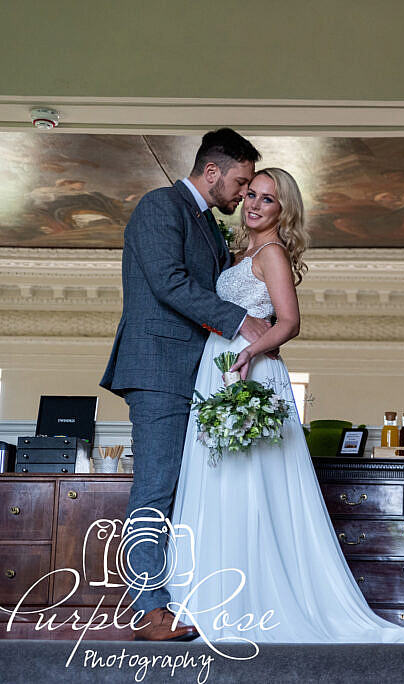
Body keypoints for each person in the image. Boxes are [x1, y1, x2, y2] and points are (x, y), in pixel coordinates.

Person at [166, 168, 404, 644]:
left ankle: (252, 602)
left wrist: (249, 352)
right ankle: (210, 597)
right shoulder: (239, 252)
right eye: (250, 194)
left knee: (251, 483)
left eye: (267, 199)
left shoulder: (272, 254)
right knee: (221, 477)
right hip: (220, 363)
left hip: (248, 366)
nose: (254, 204)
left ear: (282, 210)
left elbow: (289, 322)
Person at [100, 128, 269, 642]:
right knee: (155, 489)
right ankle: (148, 609)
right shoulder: (160, 207)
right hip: (158, 369)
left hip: (195, 373)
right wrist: (242, 320)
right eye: (241, 182)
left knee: (183, 489)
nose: (243, 194)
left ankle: (188, 596)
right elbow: (169, 283)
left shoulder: (209, 227)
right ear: (212, 171)